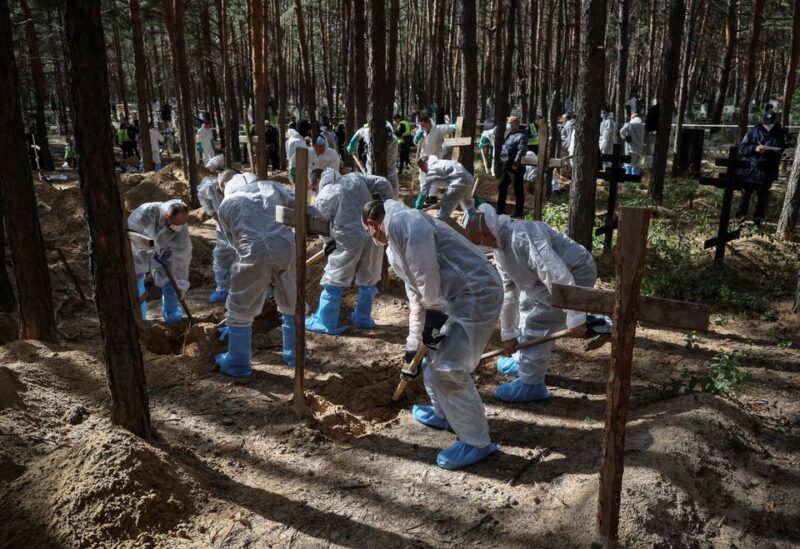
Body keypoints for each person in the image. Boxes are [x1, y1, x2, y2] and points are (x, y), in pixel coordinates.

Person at [362, 198, 503, 470]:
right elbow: (416, 297)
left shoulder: (406, 222)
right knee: (430, 356)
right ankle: (444, 413)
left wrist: (433, 323)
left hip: (476, 294)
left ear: (371, 224)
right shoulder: (393, 245)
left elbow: (427, 276)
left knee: (448, 368)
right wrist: (413, 345)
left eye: (368, 231)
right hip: (450, 299)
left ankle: (476, 441)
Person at [463, 204, 596, 402]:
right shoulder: (500, 249)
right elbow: (509, 293)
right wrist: (508, 334)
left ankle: (531, 383)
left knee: (539, 322)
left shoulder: (522, 235)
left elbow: (553, 272)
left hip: (575, 275)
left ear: (487, 232)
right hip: (541, 281)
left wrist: (575, 315)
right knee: (525, 306)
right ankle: (524, 359)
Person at [215, 179, 299, 376]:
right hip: (285, 246)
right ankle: (295, 354)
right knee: (292, 302)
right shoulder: (271, 186)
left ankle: (238, 363)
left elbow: (231, 242)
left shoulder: (227, 204)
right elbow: (298, 207)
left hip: (252, 251)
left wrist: (256, 275)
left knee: (240, 307)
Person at [305, 168, 395, 334]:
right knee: (368, 276)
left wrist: (328, 241)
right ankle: (363, 318)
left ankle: (326, 322)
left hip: (347, 238)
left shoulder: (325, 194)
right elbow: (383, 183)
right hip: (372, 231)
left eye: (312, 186)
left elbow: (319, 223)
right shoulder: (355, 177)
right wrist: (387, 210)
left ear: (318, 181)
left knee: (336, 277)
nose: (312, 190)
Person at [128, 199, 192, 324]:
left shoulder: (181, 228)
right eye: (175, 224)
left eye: (181, 224)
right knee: (134, 283)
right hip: (138, 253)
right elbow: (131, 232)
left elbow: (182, 257)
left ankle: (172, 317)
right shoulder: (147, 211)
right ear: (167, 216)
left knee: (171, 283)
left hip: (163, 255)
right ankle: (140, 320)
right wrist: (147, 246)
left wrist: (180, 285)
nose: (178, 228)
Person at [197, 169, 253, 304]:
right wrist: (212, 212)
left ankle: (247, 287)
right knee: (222, 254)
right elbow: (202, 196)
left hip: (243, 224)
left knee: (246, 254)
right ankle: (222, 288)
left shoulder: (246, 188)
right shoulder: (210, 186)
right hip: (222, 224)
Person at [735, 110, 787, 223]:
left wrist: (767, 152)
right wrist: (755, 148)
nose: (767, 126)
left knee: (763, 195)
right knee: (746, 192)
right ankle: (740, 215)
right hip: (751, 168)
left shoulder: (780, 134)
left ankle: (758, 219)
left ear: (774, 122)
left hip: (767, 170)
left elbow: (780, 151)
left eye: (770, 124)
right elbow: (743, 148)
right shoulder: (753, 131)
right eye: (765, 123)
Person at [346, 122, 400, 195]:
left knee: (393, 194)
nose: (385, 144)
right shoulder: (369, 135)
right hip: (372, 172)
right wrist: (352, 144)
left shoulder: (394, 141)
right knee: (372, 195)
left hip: (390, 173)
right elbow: (360, 132)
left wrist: (352, 145)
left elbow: (360, 132)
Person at [497, 116, 528, 218]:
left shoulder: (522, 136)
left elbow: (521, 151)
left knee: (518, 190)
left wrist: (515, 164)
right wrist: (504, 160)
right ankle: (500, 210)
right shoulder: (510, 134)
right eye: (508, 122)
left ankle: (519, 212)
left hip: (516, 168)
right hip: (507, 167)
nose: (509, 124)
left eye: (510, 122)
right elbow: (505, 148)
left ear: (516, 123)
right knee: (501, 186)